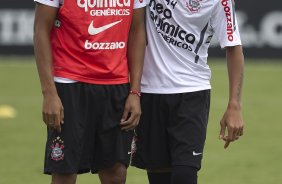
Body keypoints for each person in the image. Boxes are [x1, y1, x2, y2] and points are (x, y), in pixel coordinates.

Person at [131, 0, 244, 183]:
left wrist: (235, 105)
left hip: (192, 93)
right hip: (150, 91)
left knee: (185, 174)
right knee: (159, 177)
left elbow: (233, 47)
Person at [33, 0, 146, 183]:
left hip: (116, 84)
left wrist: (135, 92)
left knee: (116, 172)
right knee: (65, 171)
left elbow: (138, 30)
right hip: (70, 83)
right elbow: (40, 30)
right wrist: (49, 93)